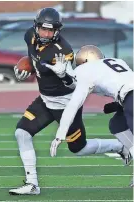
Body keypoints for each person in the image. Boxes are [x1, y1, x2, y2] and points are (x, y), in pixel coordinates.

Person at [9, 14, 131, 194]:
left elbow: (73, 83)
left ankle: (119, 146)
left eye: (51, 30)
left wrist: (62, 75)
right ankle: (32, 184)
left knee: (78, 148)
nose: (46, 33)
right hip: (45, 99)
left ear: (57, 30)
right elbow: (34, 60)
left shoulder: (61, 51)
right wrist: (26, 72)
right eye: (43, 28)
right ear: (36, 27)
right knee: (22, 133)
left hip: (65, 102)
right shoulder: (30, 36)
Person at [48, 45, 133, 186]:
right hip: (128, 97)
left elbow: (74, 104)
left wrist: (60, 133)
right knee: (117, 125)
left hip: (130, 98)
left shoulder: (84, 70)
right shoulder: (117, 61)